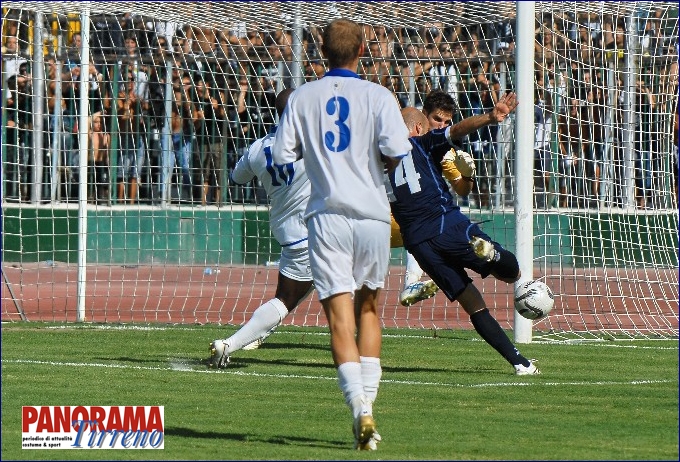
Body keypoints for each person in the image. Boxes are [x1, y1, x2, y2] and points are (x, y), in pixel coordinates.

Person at [271, 18, 412, 451]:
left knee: (339, 315)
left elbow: (281, 158)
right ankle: (368, 407)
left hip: (326, 215)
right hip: (372, 215)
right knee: (369, 309)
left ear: (320, 50)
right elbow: (398, 155)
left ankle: (358, 410)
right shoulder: (379, 95)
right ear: (364, 49)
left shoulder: (302, 97)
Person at [389, 102, 542, 377]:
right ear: (418, 128)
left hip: (418, 243)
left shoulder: (374, 158)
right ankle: (491, 255)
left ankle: (521, 364)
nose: (441, 126)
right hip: (446, 223)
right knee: (511, 273)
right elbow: (457, 131)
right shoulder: (423, 143)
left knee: (472, 303)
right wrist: (490, 117)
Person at [209, 88, 315, 363]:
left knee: (306, 288)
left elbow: (236, 177)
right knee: (286, 300)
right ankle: (230, 344)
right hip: (313, 232)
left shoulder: (258, 148)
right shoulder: (312, 140)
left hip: (290, 233)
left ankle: (258, 332)